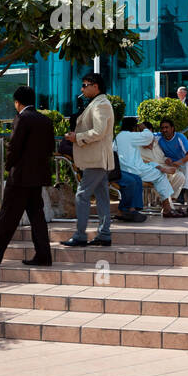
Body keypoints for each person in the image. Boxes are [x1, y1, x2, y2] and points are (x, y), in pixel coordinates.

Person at [0, 86, 53, 267]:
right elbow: (49, 148)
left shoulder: (22, 118)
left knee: (7, 218)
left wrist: (8, 166)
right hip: (37, 178)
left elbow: (14, 147)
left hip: (20, 178)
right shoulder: (46, 120)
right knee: (37, 218)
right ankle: (44, 256)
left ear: (17, 102)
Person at [62, 73, 115, 247]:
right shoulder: (96, 103)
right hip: (97, 159)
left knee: (82, 195)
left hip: (96, 159)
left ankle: (80, 235)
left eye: (85, 85)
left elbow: (99, 131)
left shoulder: (101, 104)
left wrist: (77, 137)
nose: (82, 88)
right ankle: (104, 234)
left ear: (96, 86)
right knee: (101, 196)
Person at [114, 117, 184, 219]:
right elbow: (149, 136)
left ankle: (167, 206)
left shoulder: (118, 137)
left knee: (157, 172)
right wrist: (144, 128)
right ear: (134, 127)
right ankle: (167, 207)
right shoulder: (130, 135)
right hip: (134, 170)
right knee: (160, 175)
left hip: (126, 169)